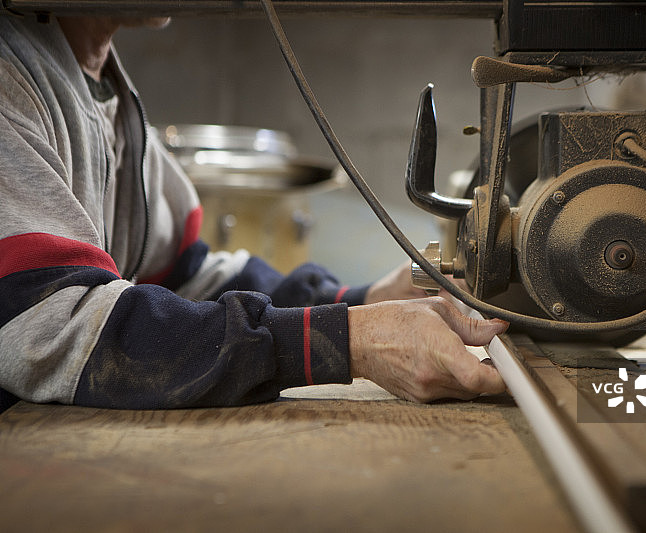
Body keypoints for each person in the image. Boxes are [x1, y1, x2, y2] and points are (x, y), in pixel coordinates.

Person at [0, 14, 507, 412]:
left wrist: (365, 299)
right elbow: (62, 334)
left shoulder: (104, 89)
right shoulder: (11, 85)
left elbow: (187, 279)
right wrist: (351, 339)